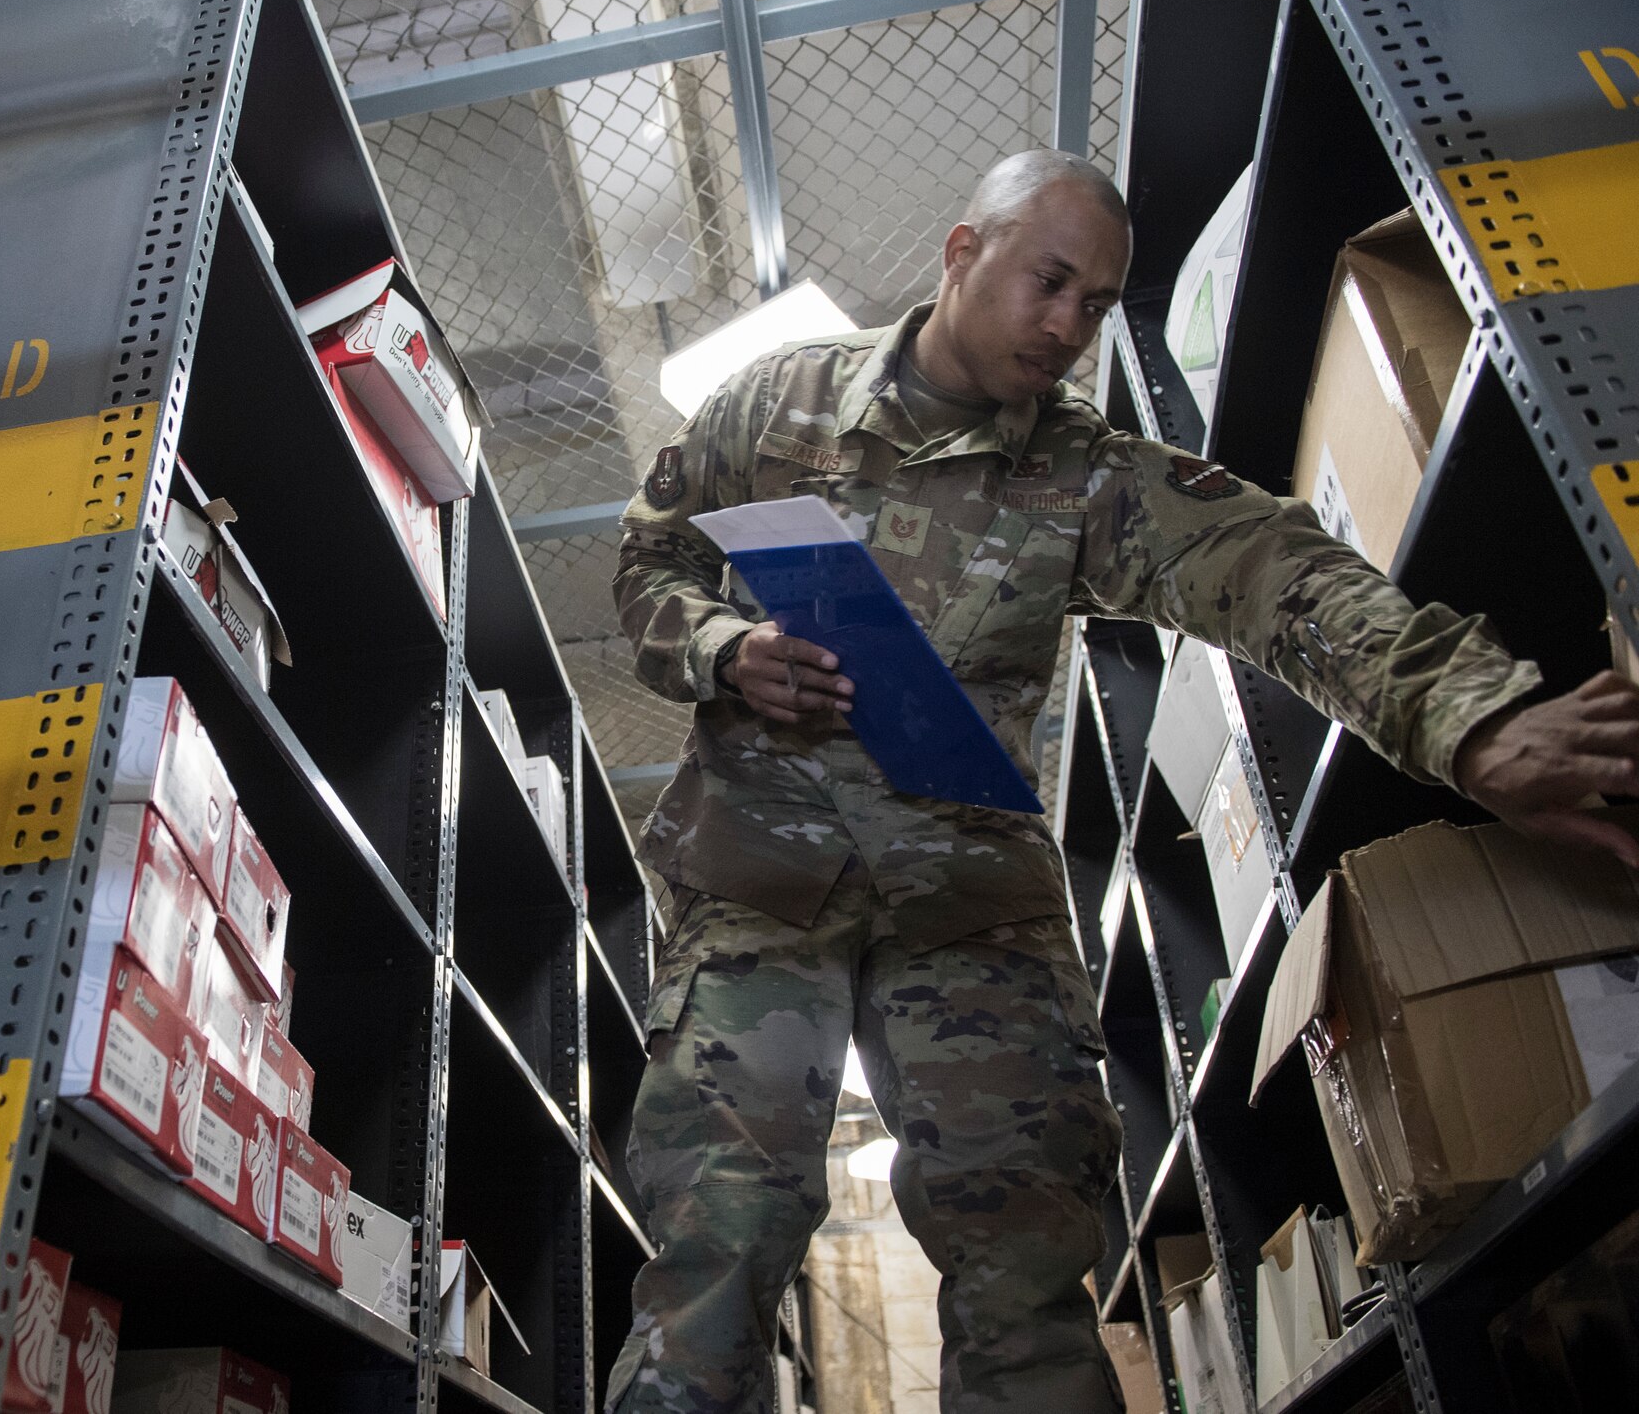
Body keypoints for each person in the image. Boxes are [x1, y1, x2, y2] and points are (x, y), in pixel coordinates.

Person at [603, 148, 1639, 1413]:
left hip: (970, 909)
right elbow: (645, 566)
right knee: (715, 1242)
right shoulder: (773, 405)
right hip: (756, 884)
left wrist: (1464, 719)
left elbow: (1275, 573)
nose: (1068, 326)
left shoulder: (1089, 476)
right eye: (1049, 283)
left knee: (1029, 1280)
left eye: (1096, 305)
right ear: (960, 251)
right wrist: (725, 651)